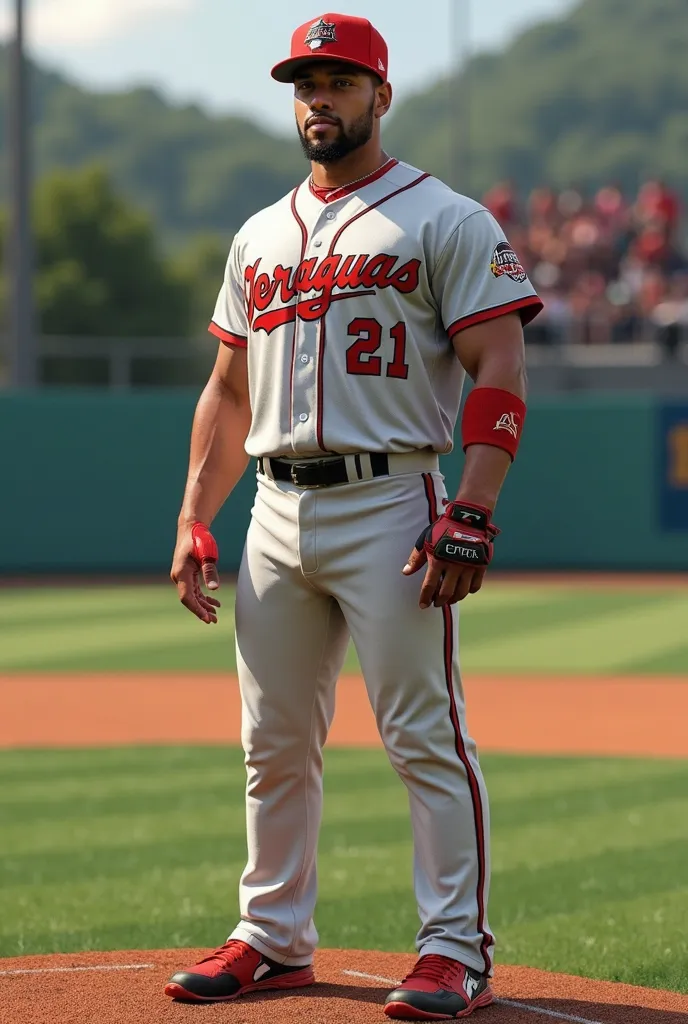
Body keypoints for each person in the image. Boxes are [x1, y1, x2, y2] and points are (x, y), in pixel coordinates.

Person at [165, 12, 542, 1020]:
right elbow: (226, 389)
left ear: (381, 95)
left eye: (338, 81)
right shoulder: (257, 234)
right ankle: (273, 935)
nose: (318, 99)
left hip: (393, 498)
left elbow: (498, 361)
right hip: (275, 509)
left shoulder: (444, 218)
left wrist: (473, 503)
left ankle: (454, 948)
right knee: (272, 740)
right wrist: (196, 516)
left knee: (423, 732)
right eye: (304, 83)